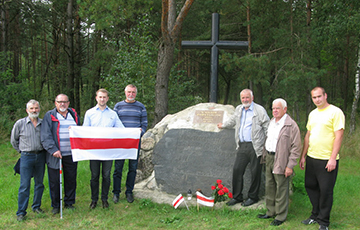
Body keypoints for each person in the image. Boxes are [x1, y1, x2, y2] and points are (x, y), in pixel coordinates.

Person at [299, 87, 345, 230]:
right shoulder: (313, 114)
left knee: (325, 190)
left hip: (327, 160)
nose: (317, 100)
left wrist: (332, 158)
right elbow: (308, 135)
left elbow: (339, 136)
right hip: (312, 158)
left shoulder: (335, 112)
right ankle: (315, 214)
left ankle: (324, 222)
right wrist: (303, 155)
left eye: (319, 96)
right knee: (311, 186)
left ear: (325, 96)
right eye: (314, 97)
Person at [218, 89, 269, 207]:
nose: (245, 100)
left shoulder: (259, 110)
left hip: (255, 146)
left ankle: (253, 197)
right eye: (243, 98)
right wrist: (223, 125)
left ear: (252, 97)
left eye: (247, 97)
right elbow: (233, 120)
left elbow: (267, 126)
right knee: (237, 170)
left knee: (255, 172)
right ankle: (237, 197)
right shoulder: (239, 109)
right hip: (242, 145)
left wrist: (268, 144)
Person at [257, 98, 301, 226]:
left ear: (285, 109)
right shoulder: (272, 122)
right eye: (273, 108)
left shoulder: (290, 125)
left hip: (282, 159)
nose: (275, 111)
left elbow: (296, 147)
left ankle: (281, 216)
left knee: (281, 187)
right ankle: (270, 212)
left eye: (278, 108)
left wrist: (290, 165)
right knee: (269, 186)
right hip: (269, 158)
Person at [83, 88, 125, 209]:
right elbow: (85, 130)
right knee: (94, 176)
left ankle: (104, 199)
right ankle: (94, 200)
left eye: (104, 97)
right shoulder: (89, 113)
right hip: (94, 151)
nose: (102, 99)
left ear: (107, 98)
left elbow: (121, 129)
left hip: (108, 150)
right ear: (96, 98)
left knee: (106, 175)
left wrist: (133, 132)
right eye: (100, 97)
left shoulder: (113, 114)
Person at [41, 94, 80, 214]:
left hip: (71, 154)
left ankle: (69, 202)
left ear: (68, 103)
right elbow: (45, 135)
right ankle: (56, 205)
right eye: (60, 102)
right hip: (56, 155)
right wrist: (53, 150)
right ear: (55, 103)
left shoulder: (73, 115)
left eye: (65, 101)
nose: (62, 104)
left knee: (70, 179)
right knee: (54, 181)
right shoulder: (50, 116)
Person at [11, 100, 46, 221]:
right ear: (27, 110)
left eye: (36, 108)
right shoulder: (20, 124)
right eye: (31, 108)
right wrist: (22, 151)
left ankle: (36, 206)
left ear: (39, 109)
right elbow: (14, 141)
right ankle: (21, 212)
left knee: (39, 184)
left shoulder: (43, 123)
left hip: (41, 156)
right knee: (24, 185)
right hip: (26, 157)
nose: (34, 110)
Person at [112, 84, 148, 203]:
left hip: (134, 142)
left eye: (133, 92)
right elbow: (113, 123)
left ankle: (129, 191)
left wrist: (139, 134)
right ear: (125, 92)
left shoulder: (141, 107)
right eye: (129, 92)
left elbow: (144, 124)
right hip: (121, 142)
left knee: (132, 168)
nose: (131, 94)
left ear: (136, 93)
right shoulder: (118, 106)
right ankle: (116, 193)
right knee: (118, 168)